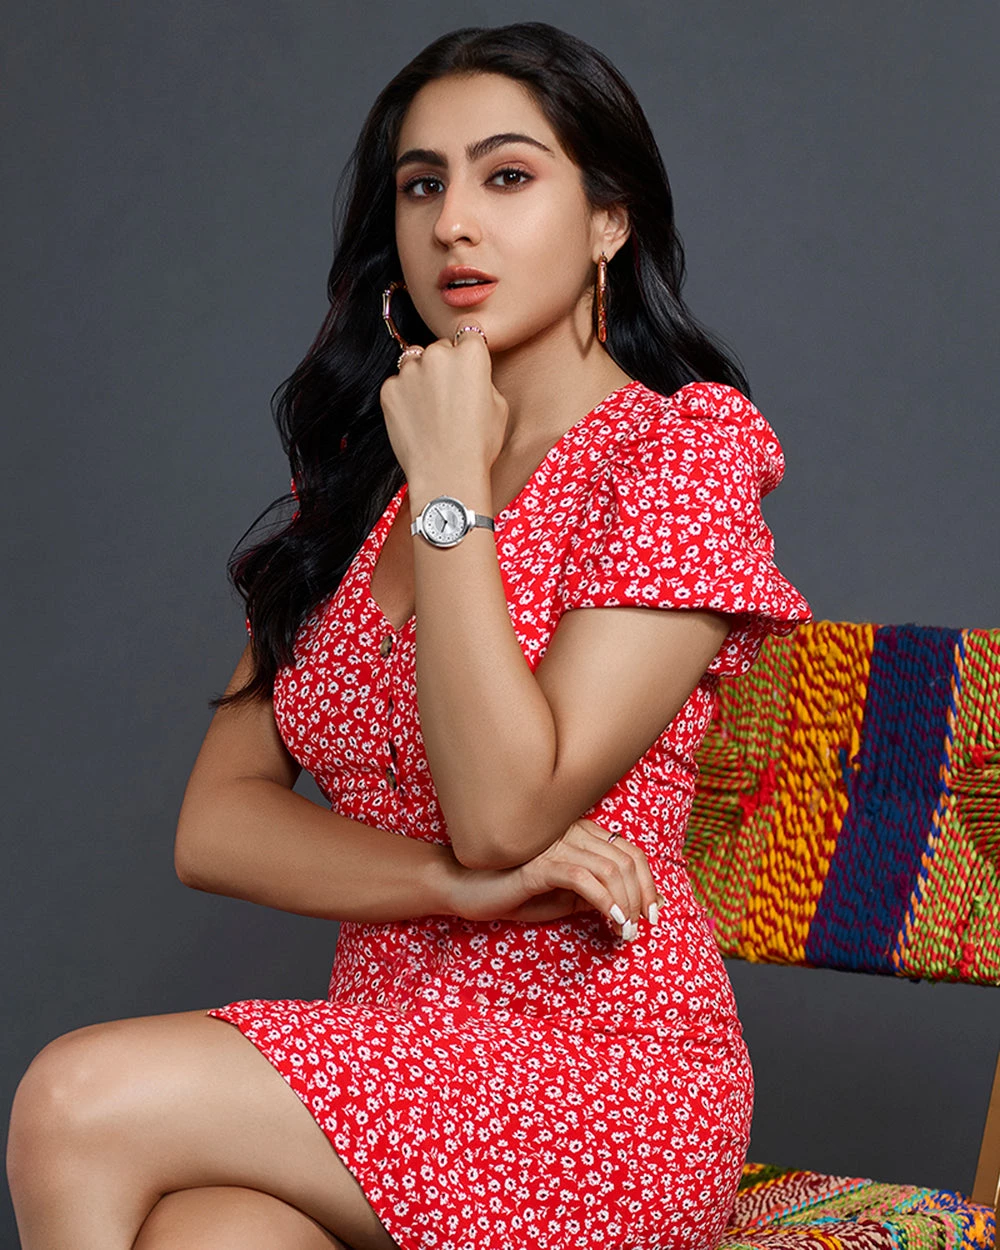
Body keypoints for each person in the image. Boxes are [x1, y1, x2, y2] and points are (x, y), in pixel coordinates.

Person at [7, 20, 813, 1250]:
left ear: (608, 220)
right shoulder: (355, 485)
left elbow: (504, 810)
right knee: (208, 1233)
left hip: (599, 1081)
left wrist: (450, 485)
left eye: (507, 176)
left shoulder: (676, 455)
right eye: (422, 185)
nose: (453, 225)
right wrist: (448, 884)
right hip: (388, 1054)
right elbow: (216, 824)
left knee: (74, 1097)